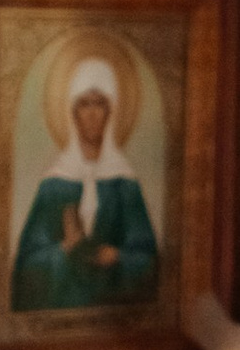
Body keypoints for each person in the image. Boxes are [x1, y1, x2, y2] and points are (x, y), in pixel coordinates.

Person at [12, 50, 159, 312]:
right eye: (84, 104)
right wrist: (63, 250)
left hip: (113, 310)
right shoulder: (54, 184)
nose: (92, 114)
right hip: (63, 308)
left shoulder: (124, 183)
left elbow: (148, 260)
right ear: (72, 113)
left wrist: (117, 257)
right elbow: (26, 266)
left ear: (111, 111)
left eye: (99, 103)